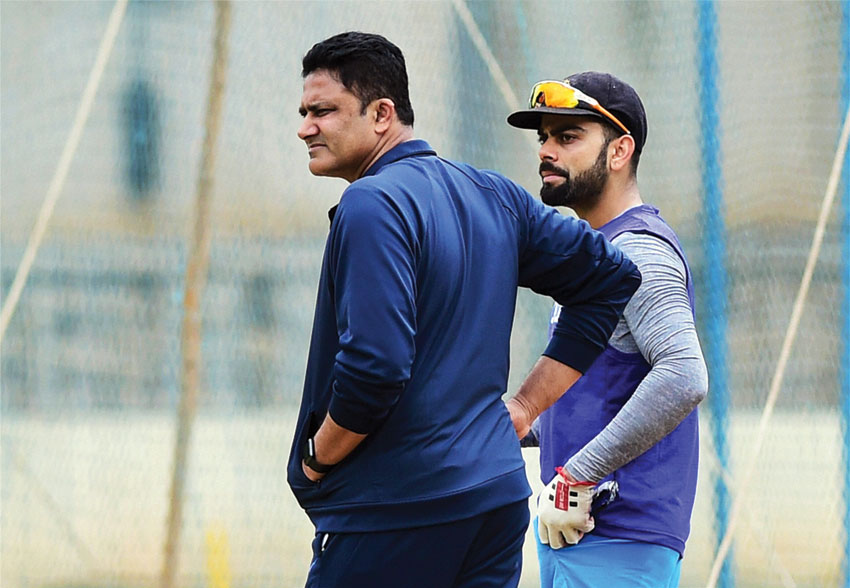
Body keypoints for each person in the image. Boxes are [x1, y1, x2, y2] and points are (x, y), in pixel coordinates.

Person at [287, 33, 641, 588]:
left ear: (382, 114)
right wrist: (520, 408)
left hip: (397, 510)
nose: (306, 127)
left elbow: (375, 368)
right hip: (493, 503)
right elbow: (610, 277)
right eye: (305, 112)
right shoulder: (491, 194)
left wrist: (315, 457)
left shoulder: (371, 203)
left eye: (323, 111)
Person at [505, 72, 709, 588]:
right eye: (543, 138)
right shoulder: (596, 250)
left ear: (620, 151)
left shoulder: (637, 250)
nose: (547, 151)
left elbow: (684, 375)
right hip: (581, 537)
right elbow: (606, 389)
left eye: (568, 137)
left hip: (618, 540)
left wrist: (578, 473)